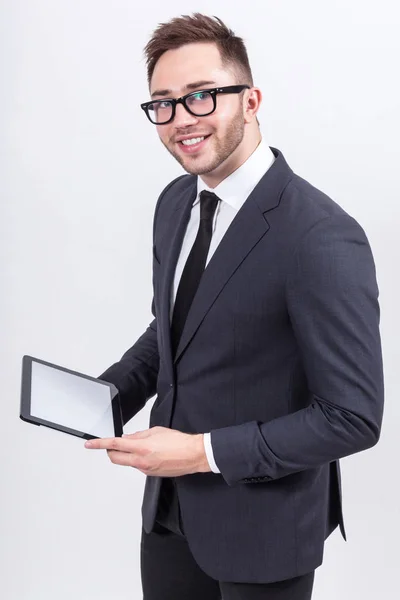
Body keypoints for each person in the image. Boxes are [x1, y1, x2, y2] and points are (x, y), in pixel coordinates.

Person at [87, 12, 384, 600]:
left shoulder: (320, 235)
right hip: (169, 519)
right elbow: (174, 329)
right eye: (163, 103)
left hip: (265, 532)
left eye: (201, 97)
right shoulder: (175, 202)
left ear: (251, 100)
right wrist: (108, 397)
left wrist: (200, 452)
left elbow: (352, 416)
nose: (180, 120)